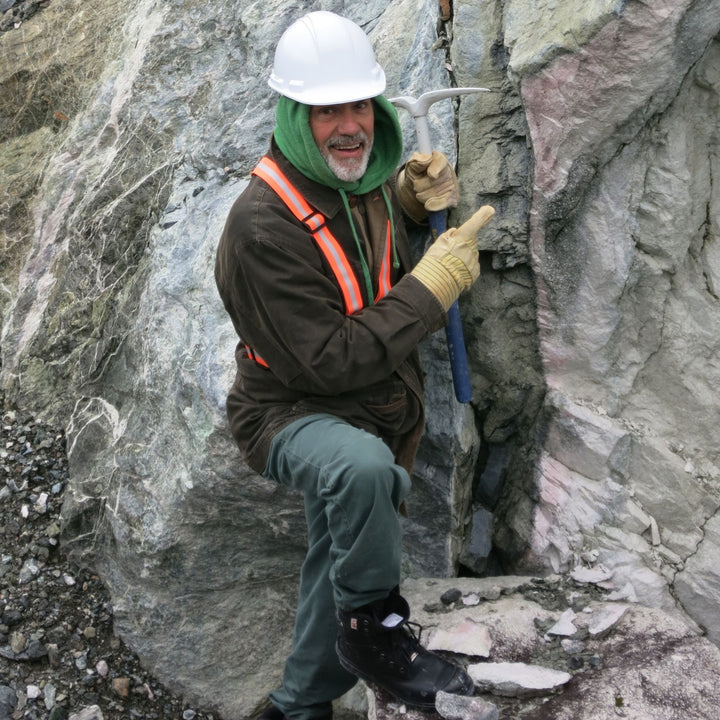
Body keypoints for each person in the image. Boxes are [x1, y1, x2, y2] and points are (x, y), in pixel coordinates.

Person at [215, 11, 482, 720]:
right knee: (361, 472)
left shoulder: (357, 183)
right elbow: (330, 361)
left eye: (358, 103)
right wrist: (432, 287)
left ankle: (297, 707)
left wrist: (405, 199)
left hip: (367, 404)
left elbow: (358, 257)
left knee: (336, 555)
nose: (349, 124)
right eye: (327, 108)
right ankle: (375, 632)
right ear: (294, 114)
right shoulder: (259, 229)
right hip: (290, 411)